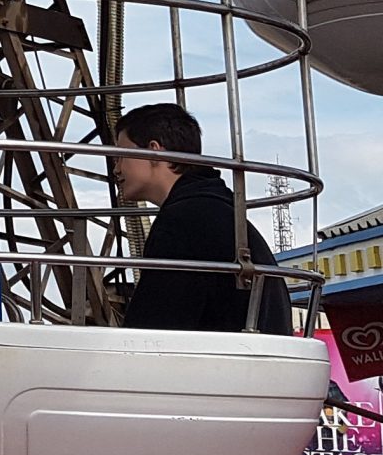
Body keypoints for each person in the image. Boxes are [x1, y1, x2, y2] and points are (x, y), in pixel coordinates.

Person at [112, 104, 294, 335]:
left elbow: (151, 329)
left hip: (222, 365)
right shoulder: (218, 209)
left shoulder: (183, 220)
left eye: (121, 156)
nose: (116, 168)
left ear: (154, 152)